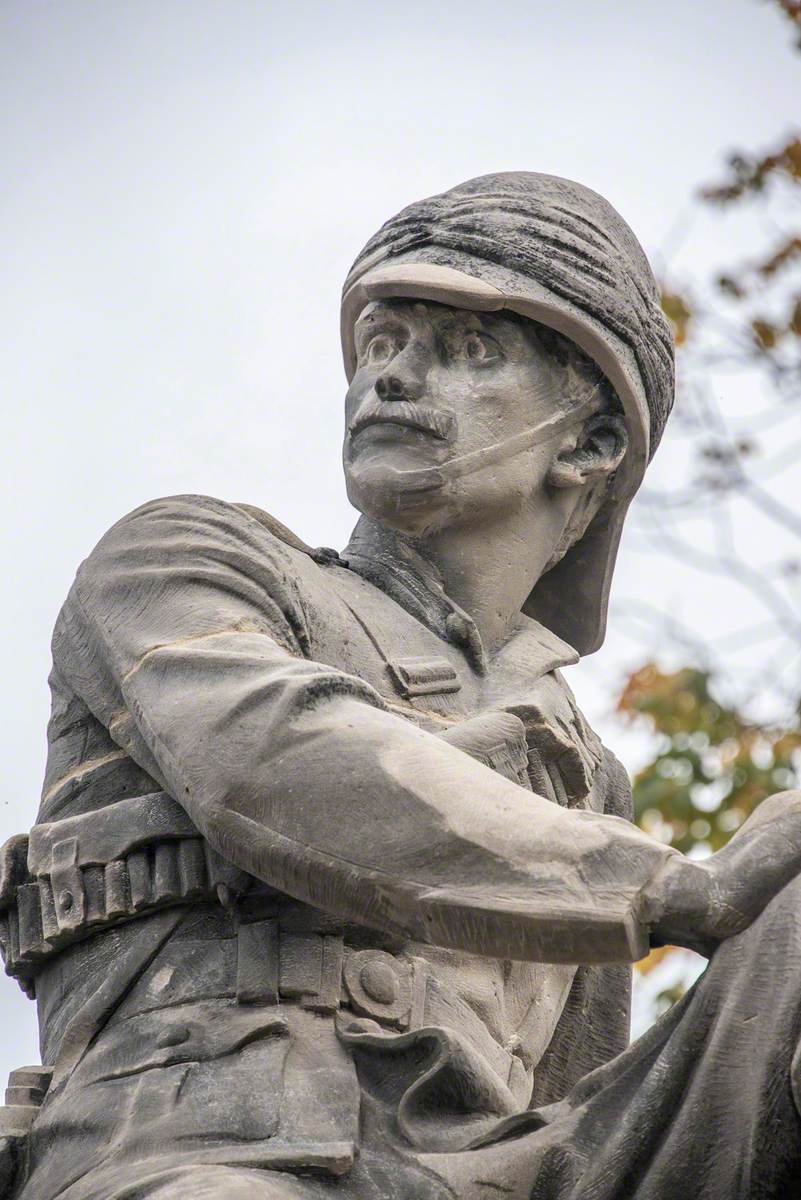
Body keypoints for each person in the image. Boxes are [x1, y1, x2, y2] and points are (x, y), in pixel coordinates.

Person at [2, 172, 800, 1199]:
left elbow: (578, 1083)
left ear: (592, 442)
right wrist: (671, 887)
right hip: (211, 1148)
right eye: (382, 342)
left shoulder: (583, 776)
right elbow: (279, 762)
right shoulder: (184, 561)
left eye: (469, 350)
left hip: (508, 1173)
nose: (391, 379)